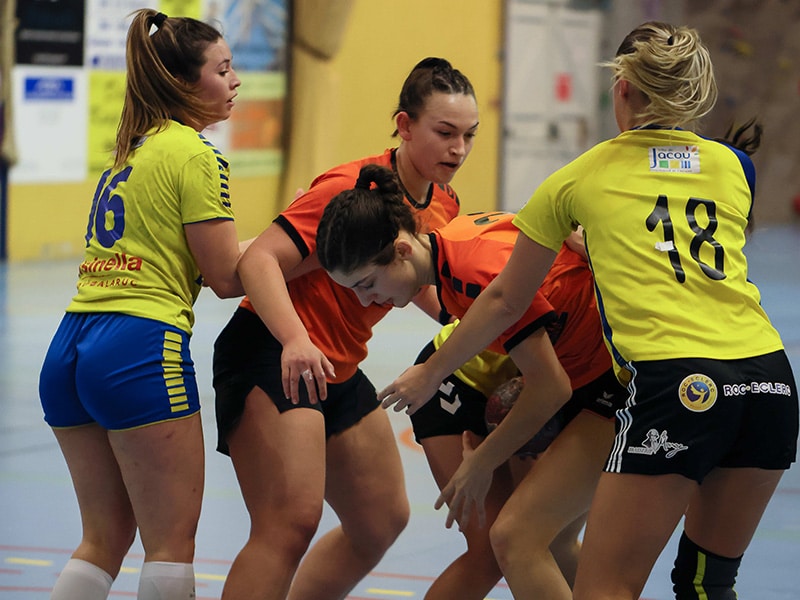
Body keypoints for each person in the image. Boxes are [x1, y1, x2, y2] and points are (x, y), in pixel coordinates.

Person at [378, 21, 799, 600]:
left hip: (677, 384)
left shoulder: (579, 179)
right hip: (770, 383)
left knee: (606, 588)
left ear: (622, 87)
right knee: (706, 585)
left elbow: (505, 299)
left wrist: (430, 371)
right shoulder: (733, 168)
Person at [211, 57, 478, 600]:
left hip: (338, 364)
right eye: (444, 133)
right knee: (289, 523)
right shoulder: (349, 188)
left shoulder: (444, 206)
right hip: (272, 349)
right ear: (404, 126)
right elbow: (259, 261)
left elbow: (426, 284)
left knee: (380, 519)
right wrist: (294, 339)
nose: (459, 149)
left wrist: (486, 328)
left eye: (470, 135)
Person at [316, 163, 627, 599]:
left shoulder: (473, 273)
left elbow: (550, 387)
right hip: (576, 376)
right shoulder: (456, 243)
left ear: (402, 249)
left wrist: (480, 463)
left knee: (513, 539)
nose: (367, 300)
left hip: (604, 381)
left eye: (367, 284)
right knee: (542, 540)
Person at [37, 9, 244, 600]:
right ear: (184, 83)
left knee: (102, 538)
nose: (234, 82)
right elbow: (227, 275)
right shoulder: (197, 155)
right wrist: (308, 249)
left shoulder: (130, 150)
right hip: (137, 345)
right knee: (171, 544)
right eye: (222, 70)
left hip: (70, 347)